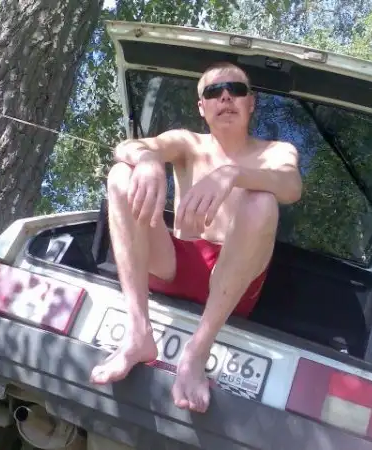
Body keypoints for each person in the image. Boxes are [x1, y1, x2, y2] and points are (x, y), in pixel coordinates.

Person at [89, 62, 303, 413]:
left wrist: (232, 174)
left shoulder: (276, 151)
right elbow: (127, 147)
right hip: (172, 265)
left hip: (231, 282)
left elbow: (290, 186)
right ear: (202, 107)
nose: (225, 97)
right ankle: (138, 333)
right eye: (213, 92)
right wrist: (147, 159)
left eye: (236, 90)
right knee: (120, 175)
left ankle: (196, 353)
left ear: (251, 103)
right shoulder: (187, 143)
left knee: (262, 202)